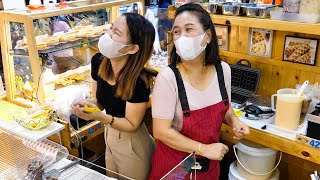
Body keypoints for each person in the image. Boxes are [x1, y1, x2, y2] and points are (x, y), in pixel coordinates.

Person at [149, 3, 250, 179]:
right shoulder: (168, 77)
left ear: (208, 36)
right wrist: (204, 149)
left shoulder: (223, 70)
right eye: (177, 31)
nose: (181, 37)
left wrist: (234, 121)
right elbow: (161, 131)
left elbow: (224, 106)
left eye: (189, 29)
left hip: (208, 166)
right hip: (176, 166)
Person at [71, 13, 156, 180]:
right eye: (111, 28)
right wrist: (87, 105)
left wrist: (100, 116)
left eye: (116, 33)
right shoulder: (98, 61)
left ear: (132, 48)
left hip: (133, 143)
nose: (108, 35)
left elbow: (132, 124)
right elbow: (98, 100)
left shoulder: (138, 81)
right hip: (109, 135)